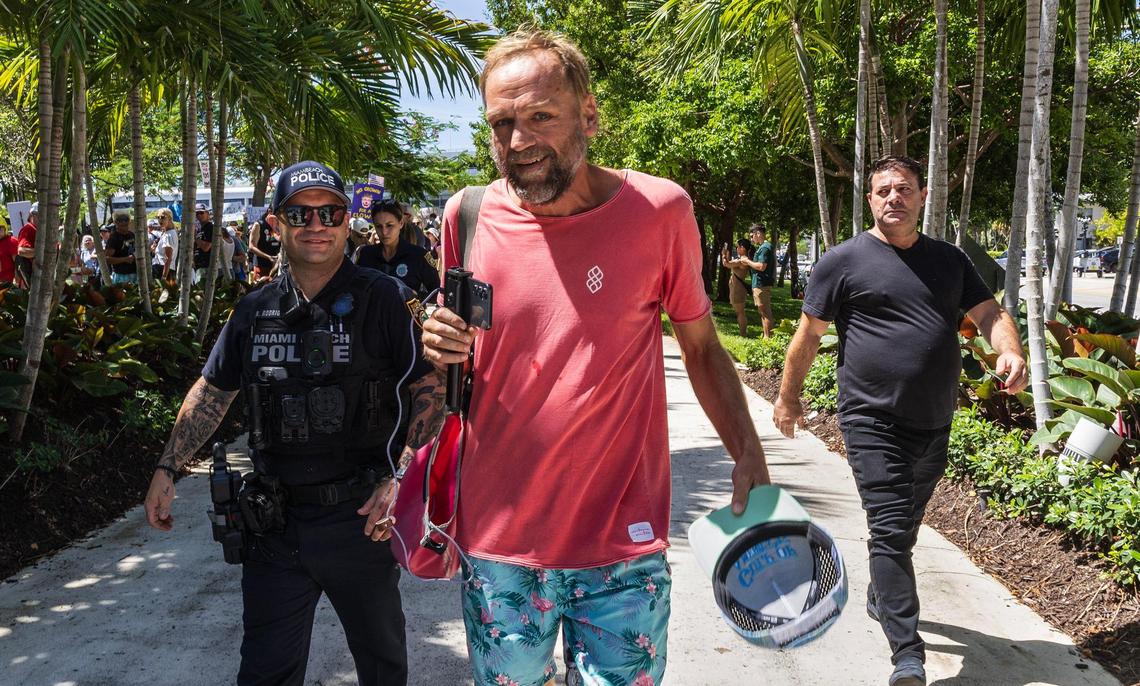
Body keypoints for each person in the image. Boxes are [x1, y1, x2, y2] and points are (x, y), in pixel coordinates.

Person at [421, 29, 771, 686]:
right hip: (500, 544)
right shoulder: (466, 215)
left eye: (540, 117)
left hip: (622, 543)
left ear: (588, 115)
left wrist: (747, 450)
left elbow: (701, 346)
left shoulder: (660, 211)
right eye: (502, 124)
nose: (518, 141)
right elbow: (455, 358)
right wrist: (436, 344)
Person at [143, 160, 446, 686]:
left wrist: (401, 479)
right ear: (276, 224)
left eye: (330, 212)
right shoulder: (254, 309)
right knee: (265, 672)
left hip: (360, 520)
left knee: (382, 665)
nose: (316, 225)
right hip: (274, 524)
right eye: (299, 214)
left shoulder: (385, 299)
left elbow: (430, 392)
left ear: (347, 221)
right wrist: (167, 467)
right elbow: (213, 391)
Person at [772, 155, 1028, 686]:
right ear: (870, 199)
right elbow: (809, 335)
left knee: (905, 526)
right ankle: (907, 657)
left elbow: (989, 313)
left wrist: (1009, 350)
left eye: (904, 188)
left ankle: (882, 594)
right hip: (871, 419)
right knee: (889, 530)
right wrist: (788, 397)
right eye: (884, 190)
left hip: (934, 420)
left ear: (922, 196)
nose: (894, 197)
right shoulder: (843, 261)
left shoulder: (949, 260)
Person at [355, 200, 439, 299]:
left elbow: (437, 293)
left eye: (389, 225)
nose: (384, 232)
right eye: (379, 226)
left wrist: (412, 296)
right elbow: (355, 290)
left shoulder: (419, 255)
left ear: (401, 223)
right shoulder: (366, 254)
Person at [738, 224, 776, 338]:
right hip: (759, 284)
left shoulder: (765, 248)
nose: (751, 239)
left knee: (765, 312)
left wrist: (747, 261)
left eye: (752, 236)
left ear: (758, 233)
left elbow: (761, 266)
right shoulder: (763, 247)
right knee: (762, 312)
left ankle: (769, 338)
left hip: (761, 284)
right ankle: (766, 336)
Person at [720, 237, 754, 336]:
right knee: (739, 312)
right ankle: (743, 333)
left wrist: (723, 254)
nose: (737, 248)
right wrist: (726, 255)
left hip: (738, 289)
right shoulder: (742, 259)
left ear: (742, 248)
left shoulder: (743, 259)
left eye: (737, 246)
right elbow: (730, 263)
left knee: (740, 312)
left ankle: (743, 333)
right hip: (737, 288)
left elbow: (726, 264)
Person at [104, 211, 138, 285]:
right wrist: (125, 259)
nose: (123, 222)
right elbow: (107, 259)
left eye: (126, 219)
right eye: (120, 220)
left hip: (135, 273)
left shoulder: (131, 235)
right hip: (121, 275)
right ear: (115, 222)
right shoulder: (114, 238)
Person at [248, 212, 281, 282]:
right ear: (270, 212)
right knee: (262, 286)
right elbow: (251, 247)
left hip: (277, 265)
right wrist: (268, 257)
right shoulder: (259, 225)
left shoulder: (279, 225)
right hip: (261, 266)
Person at [15, 202, 38, 289]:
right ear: (32, 215)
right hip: (35, 278)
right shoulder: (28, 229)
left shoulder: (42, 230)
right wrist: (43, 252)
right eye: (39, 215)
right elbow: (21, 251)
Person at [152, 209, 179, 283]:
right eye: (158, 217)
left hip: (163, 270)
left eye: (163, 217)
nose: (160, 219)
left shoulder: (168, 235)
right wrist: (154, 249)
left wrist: (164, 277)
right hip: (162, 268)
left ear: (170, 218)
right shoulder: (167, 233)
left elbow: (168, 258)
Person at [192, 202, 215, 284]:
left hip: (206, 266)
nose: (199, 215)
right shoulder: (199, 229)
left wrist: (195, 237)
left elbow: (206, 247)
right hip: (199, 266)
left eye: (201, 213)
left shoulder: (210, 227)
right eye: (197, 213)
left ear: (208, 214)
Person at [0, 216, 18, 288]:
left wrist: (16, 281)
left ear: (5, 228)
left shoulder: (11, 241)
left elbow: (19, 264)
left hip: (9, 284)